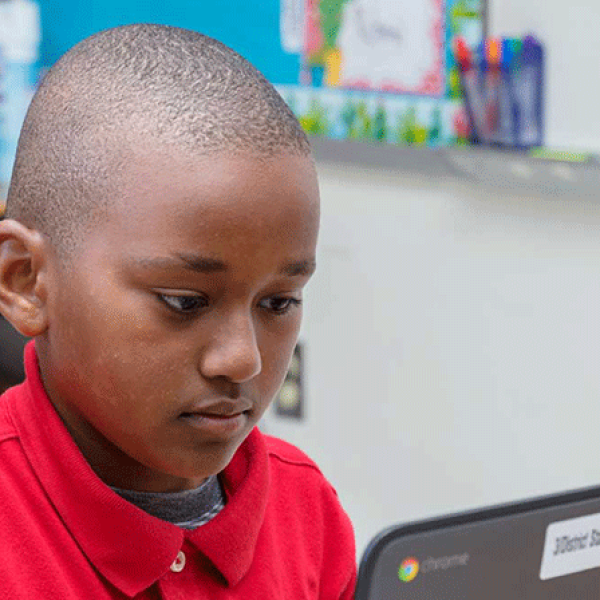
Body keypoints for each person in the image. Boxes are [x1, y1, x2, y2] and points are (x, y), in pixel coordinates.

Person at [0, 24, 356, 598]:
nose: (242, 359)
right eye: (184, 302)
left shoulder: (307, 509)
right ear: (26, 281)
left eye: (279, 302)